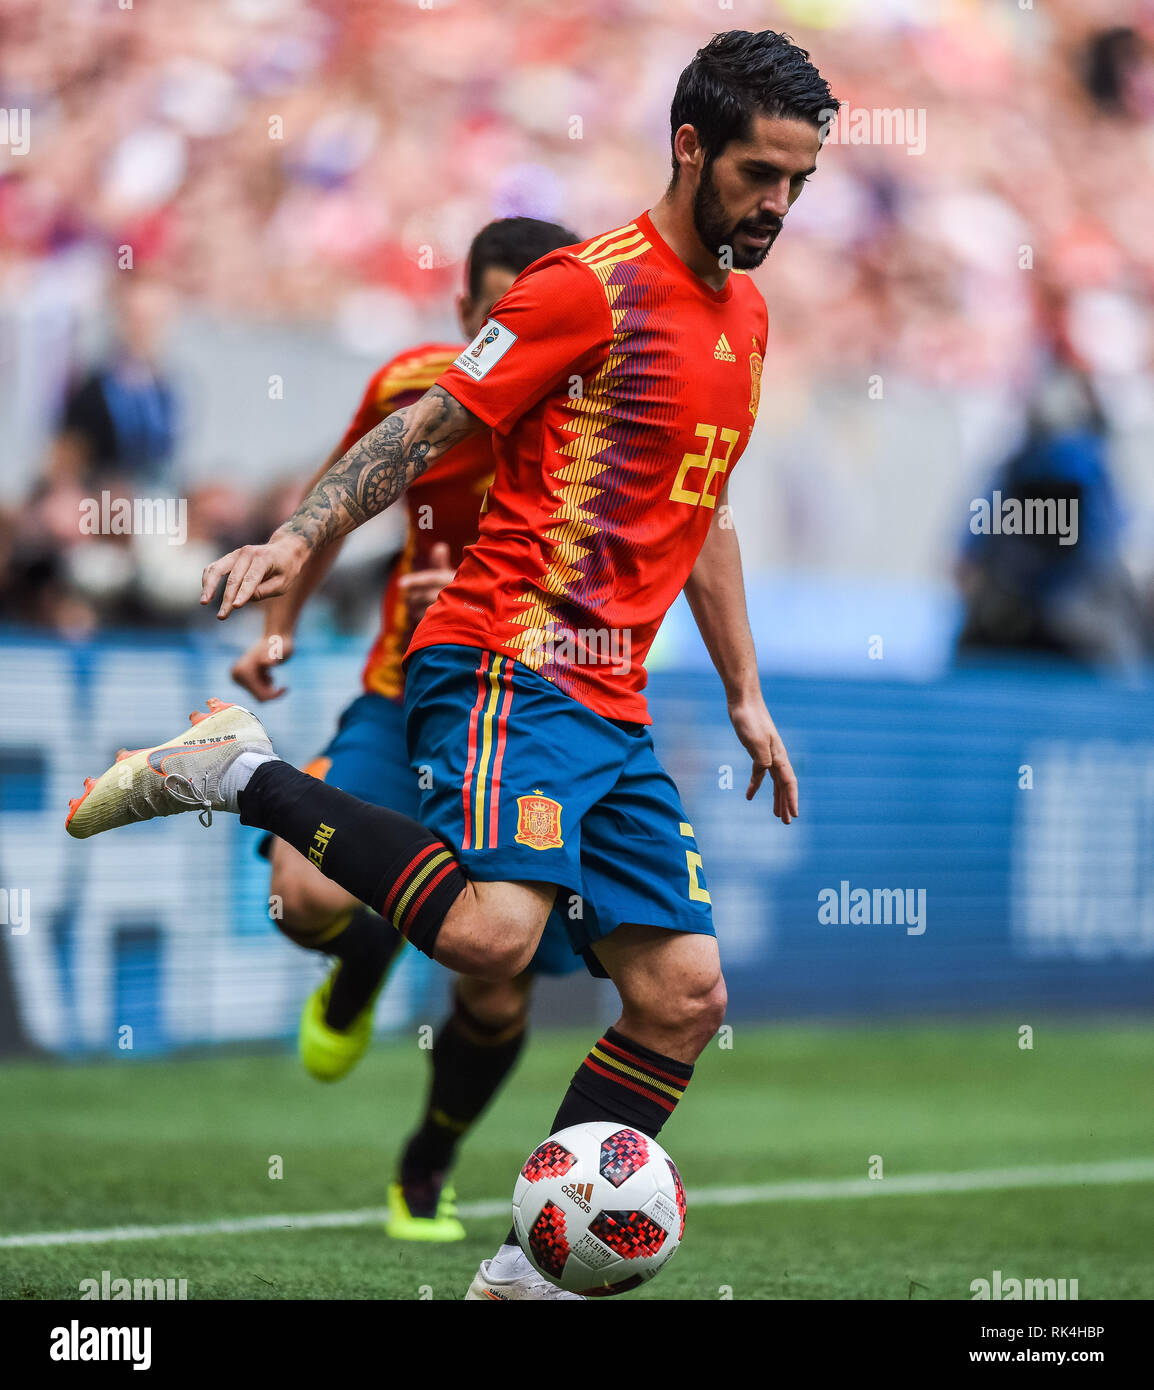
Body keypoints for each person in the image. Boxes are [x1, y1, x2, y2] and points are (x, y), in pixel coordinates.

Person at [68, 30, 834, 1300]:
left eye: (797, 182)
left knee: (682, 994)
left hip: (611, 701)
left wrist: (746, 694)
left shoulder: (745, 317)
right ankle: (235, 775)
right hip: (506, 656)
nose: (777, 205)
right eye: (759, 172)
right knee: (489, 941)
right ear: (688, 146)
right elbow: (424, 424)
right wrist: (296, 536)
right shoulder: (583, 290)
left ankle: (527, 1270)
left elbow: (699, 514)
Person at [229, 218, 583, 1243]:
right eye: (497, 316)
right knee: (300, 897)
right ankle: (366, 942)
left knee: (492, 983)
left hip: (531, 715)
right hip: (402, 694)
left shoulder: (594, 424)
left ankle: (424, 1165)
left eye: (534, 318)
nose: (515, 338)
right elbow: (337, 501)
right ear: (466, 313)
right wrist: (278, 634)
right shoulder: (413, 391)